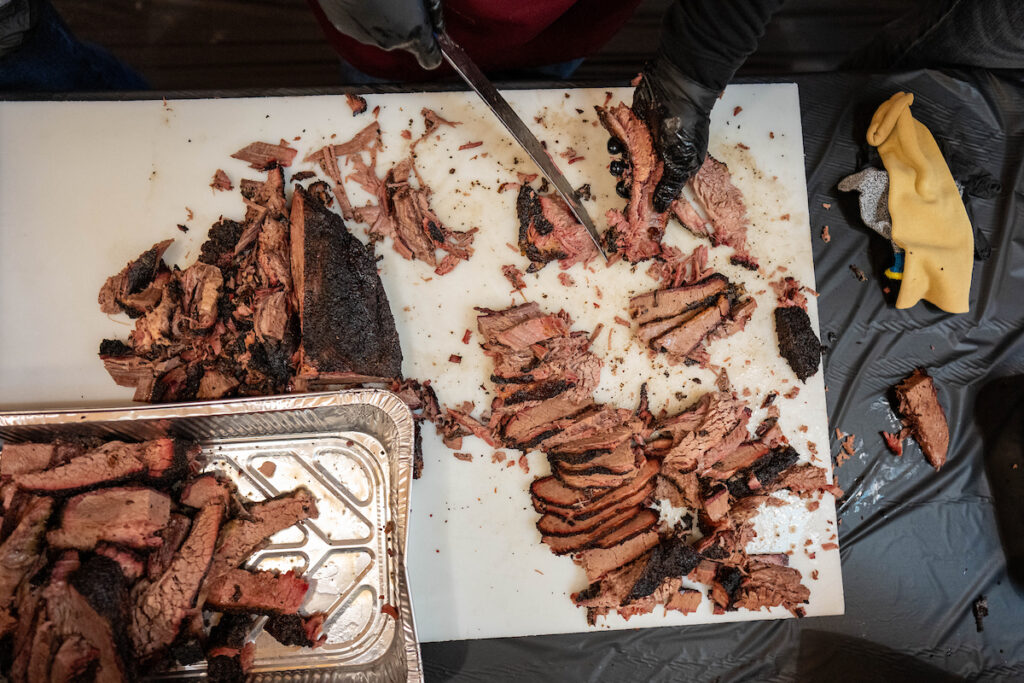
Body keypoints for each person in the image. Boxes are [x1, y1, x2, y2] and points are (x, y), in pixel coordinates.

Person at [313, 0, 1024, 208]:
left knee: (556, 62)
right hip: (404, 16)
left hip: (569, 14)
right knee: (389, 108)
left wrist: (689, 72)